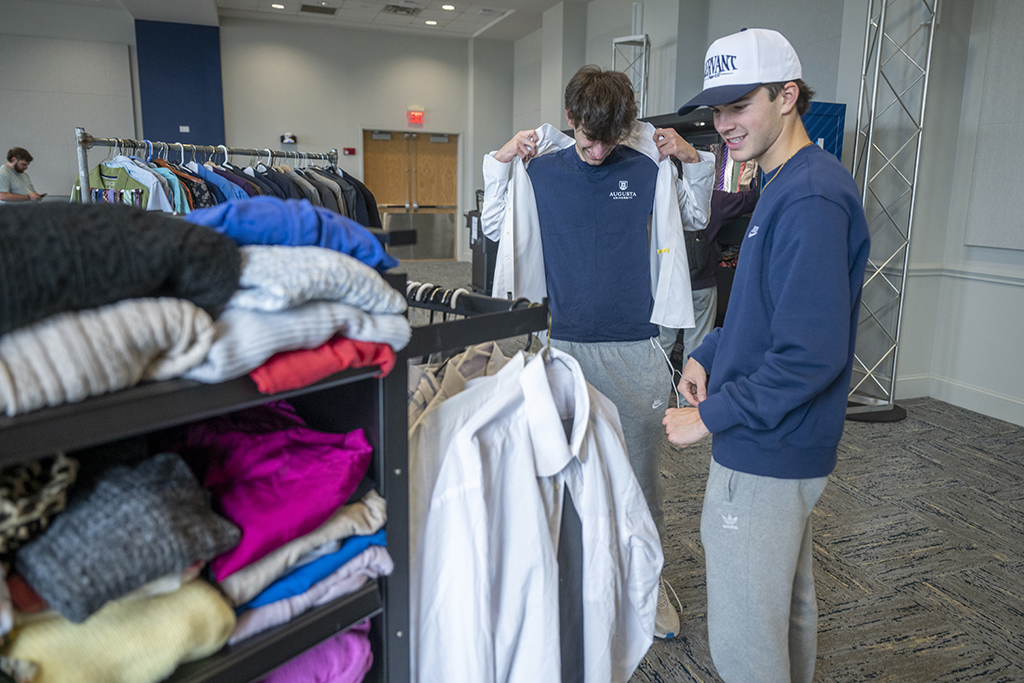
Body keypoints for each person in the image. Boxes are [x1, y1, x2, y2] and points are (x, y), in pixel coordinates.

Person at [663, 28, 870, 682]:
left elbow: (811, 351)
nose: (723, 124)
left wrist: (713, 414)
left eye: (739, 105)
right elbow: (763, 308)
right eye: (717, 110)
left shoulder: (808, 195)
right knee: (783, 611)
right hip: (781, 443)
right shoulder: (782, 184)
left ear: (787, 95)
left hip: (764, 447)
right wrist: (709, 351)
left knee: (744, 644)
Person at [480, 64, 716, 641]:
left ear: (625, 127)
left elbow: (696, 215)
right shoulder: (540, 170)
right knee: (561, 472)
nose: (595, 151)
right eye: (587, 139)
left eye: (608, 140)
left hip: (636, 344)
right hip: (561, 344)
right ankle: (573, 583)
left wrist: (691, 158)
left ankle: (648, 581)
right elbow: (493, 227)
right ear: (570, 120)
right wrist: (501, 159)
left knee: (638, 477)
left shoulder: (646, 165)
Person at [658, 186, 760, 378]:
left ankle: (655, 397)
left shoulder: (661, 195)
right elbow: (752, 198)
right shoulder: (713, 198)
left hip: (669, 285)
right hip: (702, 284)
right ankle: (688, 401)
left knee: (663, 344)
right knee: (696, 350)